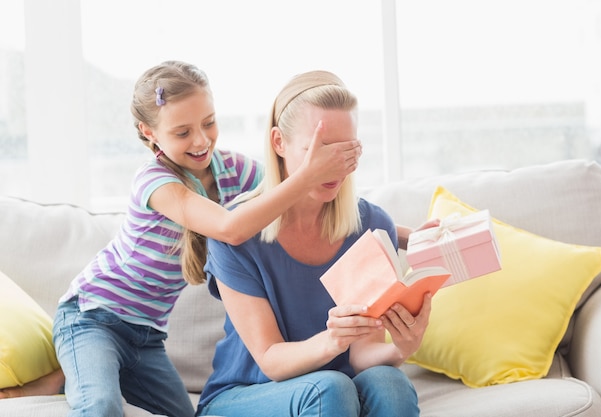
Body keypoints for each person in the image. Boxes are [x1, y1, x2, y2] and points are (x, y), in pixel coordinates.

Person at [50, 61, 361, 417]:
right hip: (93, 316)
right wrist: (307, 175)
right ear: (148, 132)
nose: (200, 140)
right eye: (182, 133)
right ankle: (83, 362)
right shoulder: (155, 182)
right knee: (101, 406)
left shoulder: (233, 171)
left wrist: (401, 235)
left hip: (147, 337)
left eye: (209, 123)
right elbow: (231, 228)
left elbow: (291, 195)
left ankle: (67, 375)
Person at [197, 70, 432, 417]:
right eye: (319, 151)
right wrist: (331, 340)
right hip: (247, 394)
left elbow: (363, 355)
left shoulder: (370, 225)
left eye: (345, 150)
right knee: (329, 388)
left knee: (390, 383)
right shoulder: (237, 235)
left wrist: (402, 347)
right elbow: (270, 359)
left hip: (335, 391)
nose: (334, 166)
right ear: (279, 143)